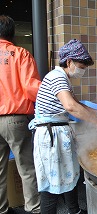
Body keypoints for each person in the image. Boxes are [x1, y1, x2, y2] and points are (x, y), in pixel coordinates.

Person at [30, 39, 97, 214]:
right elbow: (71, 107)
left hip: (57, 133)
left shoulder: (62, 77)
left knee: (68, 175)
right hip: (50, 136)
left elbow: (76, 103)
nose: (83, 71)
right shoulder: (57, 77)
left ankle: (74, 210)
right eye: (82, 66)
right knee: (52, 185)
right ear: (69, 62)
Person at [0, 15, 41, 214]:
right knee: (26, 169)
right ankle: (33, 209)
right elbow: (31, 88)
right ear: (12, 32)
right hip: (15, 119)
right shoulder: (20, 54)